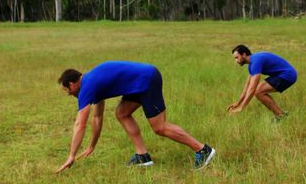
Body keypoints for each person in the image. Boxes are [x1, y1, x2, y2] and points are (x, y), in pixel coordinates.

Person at [56, 61, 216, 172]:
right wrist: (92, 146)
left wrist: (71, 155)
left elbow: (80, 124)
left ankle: (203, 150)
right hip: (138, 83)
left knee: (159, 127)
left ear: (72, 84)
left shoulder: (87, 87)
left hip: (146, 80)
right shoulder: (92, 83)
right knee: (122, 113)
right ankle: (143, 157)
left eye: (67, 90)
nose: (69, 94)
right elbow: (97, 117)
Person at [227, 45, 297, 120]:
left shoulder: (256, 62)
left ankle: (281, 116)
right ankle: (281, 115)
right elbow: (248, 85)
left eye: (237, 57)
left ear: (244, 54)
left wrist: (242, 107)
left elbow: (252, 88)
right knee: (259, 91)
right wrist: (238, 103)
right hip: (283, 75)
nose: (236, 61)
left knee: (258, 91)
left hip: (288, 75)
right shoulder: (252, 63)